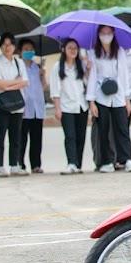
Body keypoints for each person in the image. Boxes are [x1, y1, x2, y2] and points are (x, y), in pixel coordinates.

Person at [87, 25, 131, 173]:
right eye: (103, 33)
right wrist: (92, 101)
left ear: (113, 34)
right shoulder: (93, 53)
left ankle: (126, 159)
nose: (106, 36)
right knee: (103, 129)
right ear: (99, 35)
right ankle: (107, 161)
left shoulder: (119, 52)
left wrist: (127, 99)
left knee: (122, 128)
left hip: (119, 96)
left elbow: (124, 76)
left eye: (109, 33)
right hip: (101, 96)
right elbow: (92, 77)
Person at [0, 32, 29, 177]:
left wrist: (8, 86)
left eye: (10, 44)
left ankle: (14, 165)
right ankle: (0, 166)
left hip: (17, 104)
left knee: (15, 136)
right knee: (0, 136)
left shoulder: (19, 62)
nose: (8, 47)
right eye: (4, 44)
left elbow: (25, 82)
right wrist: (15, 82)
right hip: (1, 105)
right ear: (0, 46)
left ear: (14, 46)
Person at [50, 38, 88, 174]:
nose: (73, 51)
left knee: (81, 136)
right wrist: (57, 108)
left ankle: (78, 164)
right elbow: (55, 90)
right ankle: (71, 162)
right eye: (70, 48)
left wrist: (88, 67)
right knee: (70, 136)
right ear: (64, 50)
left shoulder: (81, 66)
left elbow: (87, 83)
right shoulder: (58, 67)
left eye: (75, 48)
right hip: (66, 107)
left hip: (81, 106)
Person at [17, 39, 46, 174]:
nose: (29, 52)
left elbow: (44, 86)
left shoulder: (37, 67)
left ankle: (36, 164)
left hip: (37, 108)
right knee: (21, 138)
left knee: (36, 138)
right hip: (24, 107)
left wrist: (42, 75)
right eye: (26, 49)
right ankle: (20, 163)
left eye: (31, 49)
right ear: (20, 52)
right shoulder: (18, 66)